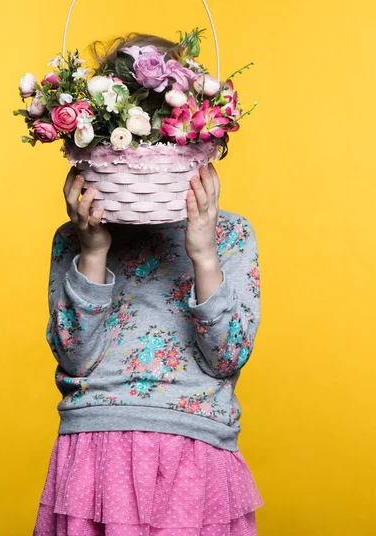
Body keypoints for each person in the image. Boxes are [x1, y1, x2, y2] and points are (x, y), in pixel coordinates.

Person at [33, 35, 264, 536]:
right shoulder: (73, 238)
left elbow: (227, 356)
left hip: (195, 451)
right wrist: (93, 250)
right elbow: (74, 356)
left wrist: (203, 253)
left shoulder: (231, 235)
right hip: (95, 450)